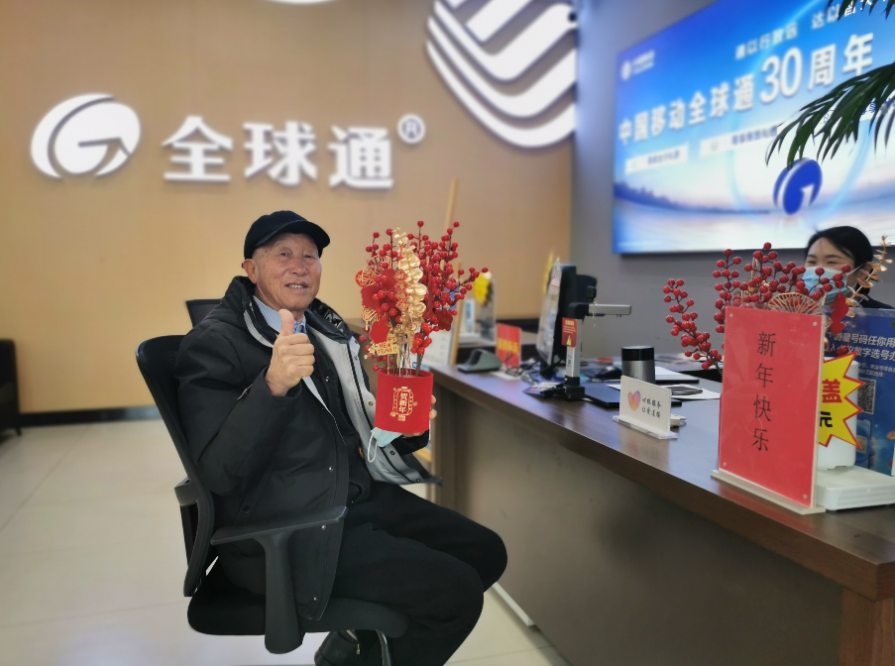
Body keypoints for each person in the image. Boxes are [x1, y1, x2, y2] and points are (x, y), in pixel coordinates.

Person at [175, 211, 507, 666]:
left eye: (310, 256)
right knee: (454, 594)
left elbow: (356, 432)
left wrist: (404, 430)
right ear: (251, 268)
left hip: (348, 497)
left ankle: (349, 645)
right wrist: (272, 386)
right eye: (283, 254)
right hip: (289, 528)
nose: (300, 266)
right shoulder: (214, 343)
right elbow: (217, 473)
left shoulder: (324, 331)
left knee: (486, 552)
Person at [804, 226, 892, 309]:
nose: (818, 270)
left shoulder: (886, 316)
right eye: (812, 262)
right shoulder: (799, 311)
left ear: (864, 271)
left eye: (831, 262)